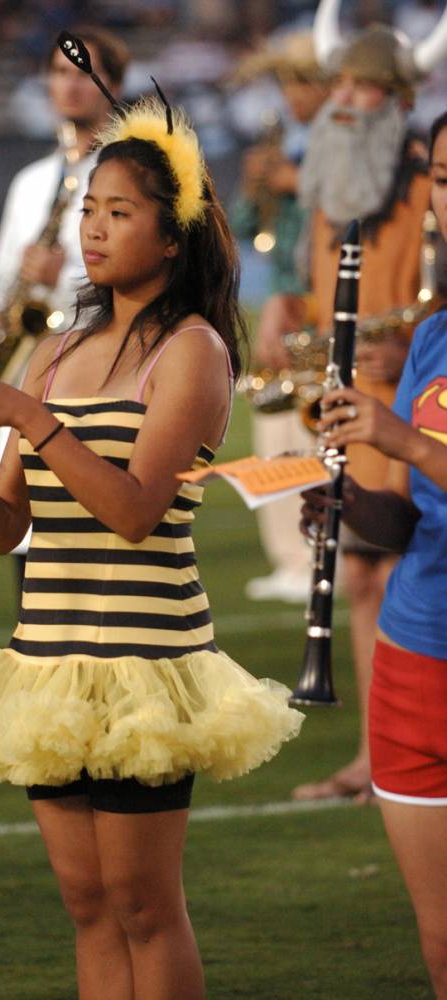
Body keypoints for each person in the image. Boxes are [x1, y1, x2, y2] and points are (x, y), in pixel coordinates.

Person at [0, 79, 304, 999]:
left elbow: (134, 511)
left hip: (144, 660)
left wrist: (26, 415)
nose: (93, 229)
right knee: (87, 904)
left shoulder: (193, 350)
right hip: (50, 662)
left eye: (120, 213)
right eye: (89, 209)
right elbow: (12, 529)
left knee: (144, 904)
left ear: (172, 236)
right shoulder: (54, 349)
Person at [283, 0, 447, 801]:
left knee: (395, 571)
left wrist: (401, 345)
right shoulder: (329, 179)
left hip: (414, 405)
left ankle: (394, 752)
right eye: (338, 81)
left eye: (365, 86)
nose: (343, 98)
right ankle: (375, 753)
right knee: (358, 574)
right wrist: (294, 321)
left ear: (403, 100)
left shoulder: (428, 184)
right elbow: (311, 284)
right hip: (346, 403)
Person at [301, 109, 447, 1000]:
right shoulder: (436, 333)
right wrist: (355, 504)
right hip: (413, 657)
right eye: (444, 174)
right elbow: (411, 517)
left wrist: (405, 437)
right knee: (440, 942)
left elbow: (426, 459)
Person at [0, 27, 130, 598]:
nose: (69, 85)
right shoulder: (31, 180)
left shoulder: (129, 176)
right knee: (26, 528)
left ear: (113, 85)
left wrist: (61, 277)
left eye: (84, 72)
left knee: (92, 528)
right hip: (30, 367)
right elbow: (6, 273)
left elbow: (137, 273)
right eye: (60, 72)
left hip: (100, 364)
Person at [229, 31, 330, 603]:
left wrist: (297, 184)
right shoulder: (290, 148)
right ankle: (289, 557)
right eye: (287, 83)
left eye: (302, 82)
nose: (293, 95)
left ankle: (316, 553)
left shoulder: (335, 150)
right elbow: (248, 226)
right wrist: (254, 185)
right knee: (276, 428)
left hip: (317, 306)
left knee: (314, 430)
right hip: (285, 300)